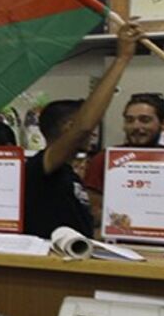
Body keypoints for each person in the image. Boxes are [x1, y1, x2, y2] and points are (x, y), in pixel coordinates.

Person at [24, 23, 144, 239]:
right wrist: (122, 59)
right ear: (69, 128)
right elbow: (84, 126)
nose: (93, 133)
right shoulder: (40, 167)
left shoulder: (69, 174)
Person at [81, 92, 164, 217]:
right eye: (129, 120)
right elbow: (93, 210)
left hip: (162, 232)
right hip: (117, 232)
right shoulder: (104, 159)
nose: (136, 126)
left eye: (145, 120)